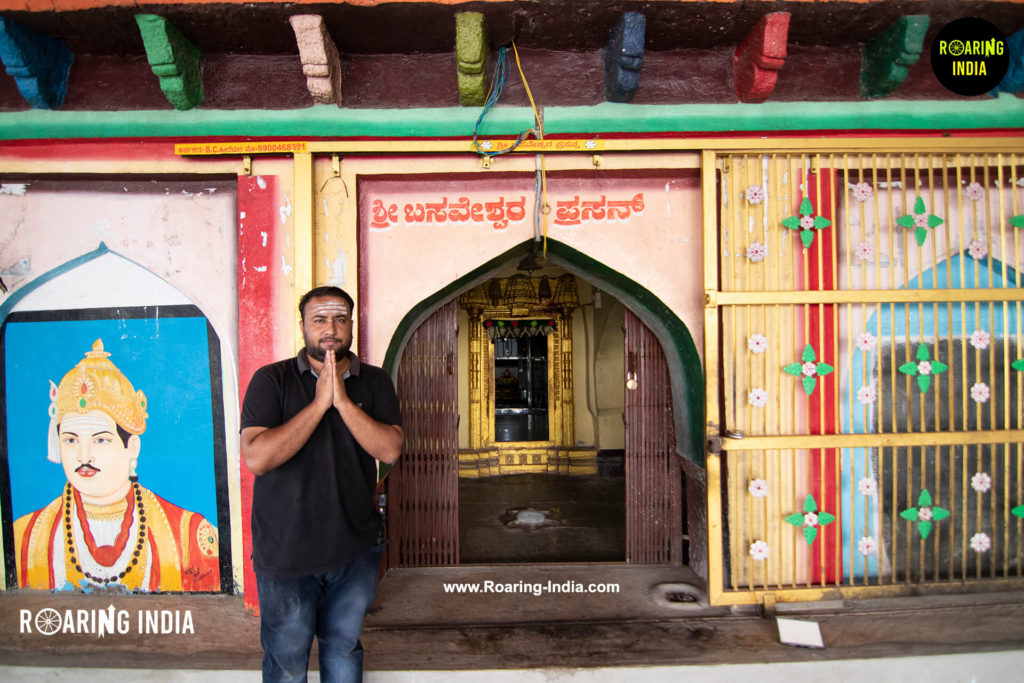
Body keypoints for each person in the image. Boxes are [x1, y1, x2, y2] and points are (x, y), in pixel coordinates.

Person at [240, 285, 403, 683]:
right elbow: (257, 458)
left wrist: (343, 401)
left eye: (339, 319)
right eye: (319, 320)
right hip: (286, 553)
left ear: (351, 325)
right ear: (303, 327)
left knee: (343, 649)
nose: (330, 328)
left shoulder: (375, 382)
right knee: (287, 661)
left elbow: (390, 450)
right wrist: (318, 404)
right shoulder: (272, 380)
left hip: (355, 550)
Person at [13, 338, 220, 592]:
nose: (84, 456)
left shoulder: (188, 535)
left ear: (132, 447)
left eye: (100, 439)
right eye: (70, 440)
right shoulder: (25, 536)